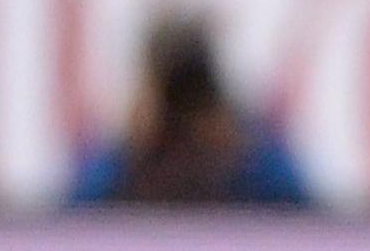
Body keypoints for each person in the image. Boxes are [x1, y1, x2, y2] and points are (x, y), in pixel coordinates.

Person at [70, 13, 310, 207]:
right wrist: (131, 150)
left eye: (193, 90)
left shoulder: (253, 153)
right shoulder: (124, 157)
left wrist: (237, 152)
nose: (183, 106)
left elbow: (311, 220)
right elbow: (70, 221)